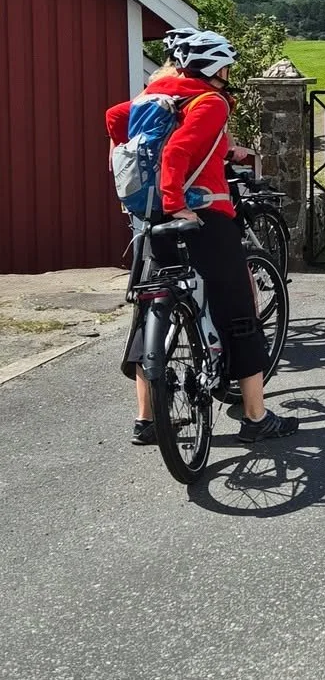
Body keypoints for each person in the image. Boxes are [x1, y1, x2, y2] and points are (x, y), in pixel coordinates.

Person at [107, 30, 299, 444]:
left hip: (151, 218)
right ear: (215, 68)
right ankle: (255, 417)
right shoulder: (210, 101)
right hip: (203, 217)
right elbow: (178, 151)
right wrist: (178, 200)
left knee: (154, 306)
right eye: (226, 65)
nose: (229, 73)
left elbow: (114, 119)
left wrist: (154, 186)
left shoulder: (154, 94)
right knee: (239, 310)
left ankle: (147, 420)